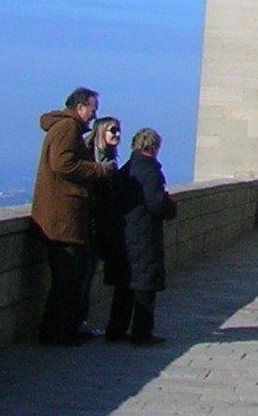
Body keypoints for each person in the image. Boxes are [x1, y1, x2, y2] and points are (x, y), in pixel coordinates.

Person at [31, 88, 109, 346]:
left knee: (69, 279)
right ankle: (55, 332)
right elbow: (62, 164)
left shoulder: (65, 127)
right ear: (80, 107)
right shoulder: (67, 128)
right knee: (65, 280)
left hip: (64, 219)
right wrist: (98, 169)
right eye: (92, 110)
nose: (93, 115)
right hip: (63, 220)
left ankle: (64, 329)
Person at [107, 129, 178, 344]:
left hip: (124, 232)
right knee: (145, 287)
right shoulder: (150, 171)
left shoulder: (127, 168)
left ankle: (115, 330)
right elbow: (156, 204)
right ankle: (141, 333)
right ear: (154, 147)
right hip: (144, 233)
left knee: (124, 284)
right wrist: (170, 206)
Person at [85, 117, 125, 336]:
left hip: (102, 224)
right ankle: (76, 323)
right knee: (82, 277)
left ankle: (80, 322)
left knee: (88, 276)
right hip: (91, 224)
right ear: (101, 131)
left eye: (119, 131)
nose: (117, 134)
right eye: (113, 130)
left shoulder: (110, 158)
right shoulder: (91, 155)